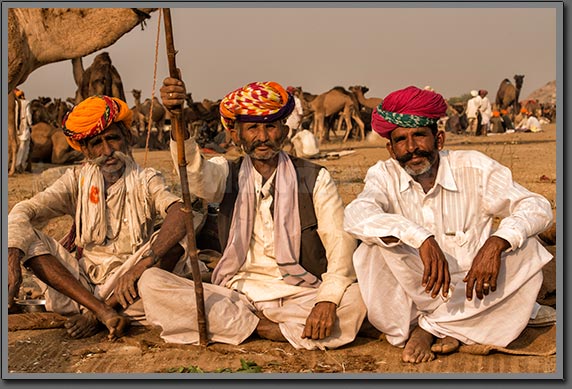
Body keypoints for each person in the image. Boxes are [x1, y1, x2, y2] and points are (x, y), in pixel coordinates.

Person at [137, 79, 366, 350]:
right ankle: (264, 327)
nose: (263, 137)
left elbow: (340, 244)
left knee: (359, 297)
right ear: (237, 135)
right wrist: (178, 117)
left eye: (270, 126)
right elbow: (195, 175)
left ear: (284, 130)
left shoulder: (315, 178)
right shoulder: (226, 173)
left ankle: (241, 325)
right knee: (152, 282)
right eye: (253, 128)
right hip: (238, 294)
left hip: (299, 293)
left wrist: (326, 301)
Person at [343, 85, 554, 363]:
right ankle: (458, 326)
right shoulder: (383, 175)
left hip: (476, 286)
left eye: (420, 135)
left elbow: (536, 205)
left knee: (528, 248)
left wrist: (496, 242)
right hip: (418, 290)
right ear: (391, 149)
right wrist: (420, 238)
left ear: (438, 139)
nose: (412, 148)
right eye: (401, 140)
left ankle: (428, 328)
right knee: (371, 249)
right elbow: (356, 214)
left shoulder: (474, 167)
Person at [8, 95, 200, 340]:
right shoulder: (76, 180)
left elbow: (181, 213)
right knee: (27, 237)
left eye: (112, 138)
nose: (107, 151)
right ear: (86, 149)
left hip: (129, 286)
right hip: (80, 287)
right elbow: (25, 210)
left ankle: (100, 313)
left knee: (174, 243)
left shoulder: (146, 179)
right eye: (97, 143)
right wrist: (13, 257)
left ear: (127, 139)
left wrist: (141, 265)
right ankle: (102, 312)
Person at [13, 89, 32, 173]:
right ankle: (20, 165)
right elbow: (28, 115)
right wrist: (31, 124)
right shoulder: (26, 103)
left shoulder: (15, 104)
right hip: (25, 127)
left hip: (17, 128)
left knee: (19, 147)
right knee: (24, 147)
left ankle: (17, 164)